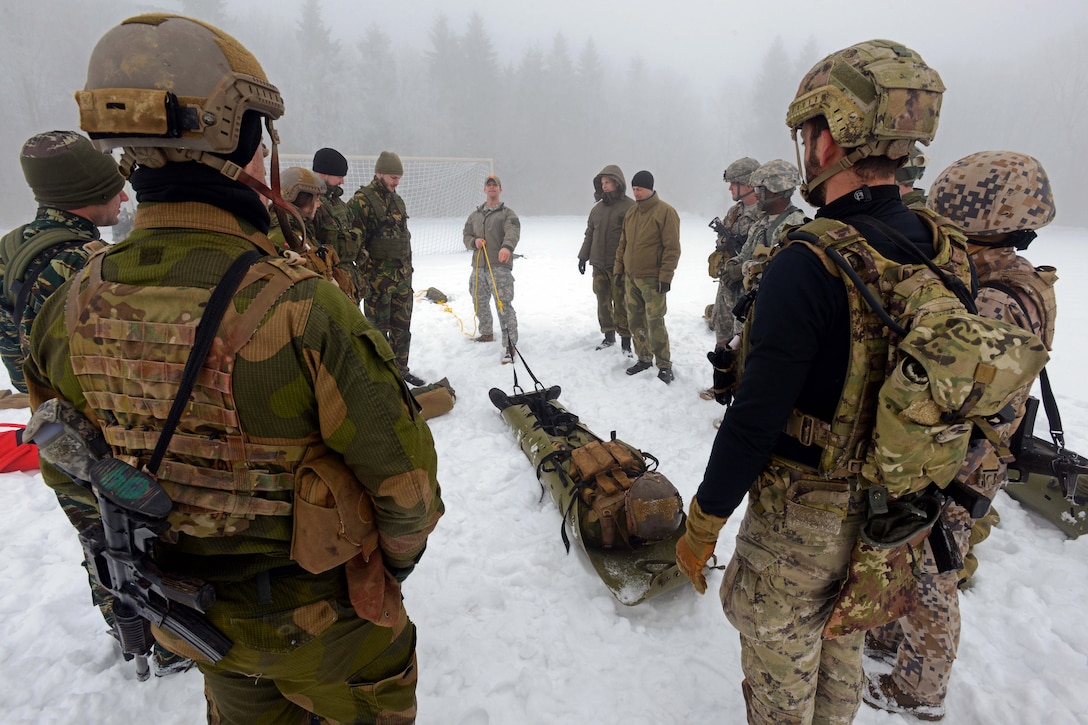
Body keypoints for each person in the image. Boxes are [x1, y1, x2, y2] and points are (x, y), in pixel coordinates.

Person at [26, 14, 442, 723]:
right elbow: (407, 492)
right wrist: (380, 573)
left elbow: (72, 471)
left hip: (200, 626)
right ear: (239, 138)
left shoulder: (66, 311)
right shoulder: (305, 308)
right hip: (326, 627)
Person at [674, 40, 951, 723]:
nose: (806, 147)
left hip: (802, 517)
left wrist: (703, 520)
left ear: (831, 137)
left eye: (808, 132)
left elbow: (755, 415)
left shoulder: (811, 259)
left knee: (781, 672)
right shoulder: (939, 247)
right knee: (843, 642)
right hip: (888, 513)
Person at [863, 150, 1058, 721]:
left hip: (965, 457)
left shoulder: (996, 295)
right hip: (975, 451)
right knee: (913, 550)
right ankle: (892, 639)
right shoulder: (1011, 279)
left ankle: (919, 689)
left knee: (933, 568)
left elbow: (963, 392)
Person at [1, 131, 126, 395]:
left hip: (46, 421)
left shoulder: (8, 249)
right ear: (95, 193)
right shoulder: (92, 262)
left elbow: (21, 375)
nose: (124, 198)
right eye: (116, 189)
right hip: (99, 418)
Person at [349, 150, 423, 385]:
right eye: (392, 177)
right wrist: (365, 275)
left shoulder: (397, 200)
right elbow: (353, 242)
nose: (396, 182)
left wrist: (408, 271)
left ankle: (401, 370)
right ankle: (380, 376)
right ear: (379, 173)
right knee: (377, 332)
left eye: (398, 178)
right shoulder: (362, 201)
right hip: (377, 283)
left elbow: (404, 237)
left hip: (402, 279)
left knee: (402, 329)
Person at [614, 170, 680, 384]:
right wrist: (618, 270)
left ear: (650, 188)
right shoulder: (632, 213)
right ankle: (643, 358)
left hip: (653, 279)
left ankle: (664, 364)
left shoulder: (665, 213)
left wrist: (666, 276)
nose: (636, 193)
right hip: (631, 277)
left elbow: (672, 248)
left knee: (655, 322)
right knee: (635, 320)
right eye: (634, 189)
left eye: (640, 189)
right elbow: (622, 244)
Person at [463, 175, 521, 363]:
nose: (492, 188)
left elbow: (513, 232)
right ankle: (486, 332)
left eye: (495, 185)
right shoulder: (475, 215)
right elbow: (466, 235)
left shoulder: (507, 214)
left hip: (499, 267)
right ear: (485, 190)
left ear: (500, 190)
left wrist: (507, 247)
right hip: (479, 267)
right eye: (489, 185)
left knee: (503, 305)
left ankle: (510, 344)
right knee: (479, 301)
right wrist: (474, 241)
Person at [578, 165, 634, 353]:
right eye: (602, 183)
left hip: (619, 265)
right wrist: (583, 257)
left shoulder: (630, 207)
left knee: (621, 304)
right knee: (602, 301)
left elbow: (634, 238)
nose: (605, 186)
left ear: (617, 183)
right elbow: (589, 234)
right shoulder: (597, 210)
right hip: (598, 264)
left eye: (608, 182)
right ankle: (608, 335)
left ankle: (626, 341)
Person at [735, 159, 807, 298]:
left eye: (759, 189)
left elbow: (780, 273)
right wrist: (734, 263)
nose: (755, 194)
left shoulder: (794, 227)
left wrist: (742, 269)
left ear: (776, 191)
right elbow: (745, 255)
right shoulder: (761, 222)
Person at [709, 157, 761, 349]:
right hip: (726, 287)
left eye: (733, 183)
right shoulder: (734, 211)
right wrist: (723, 243)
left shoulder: (763, 213)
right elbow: (720, 240)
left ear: (747, 183)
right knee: (721, 340)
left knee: (742, 343)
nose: (730, 188)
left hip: (747, 290)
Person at [312, 147, 365, 303]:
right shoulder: (312, 204)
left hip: (349, 284)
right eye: (339, 176)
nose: (342, 181)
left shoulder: (340, 205)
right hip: (330, 287)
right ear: (323, 174)